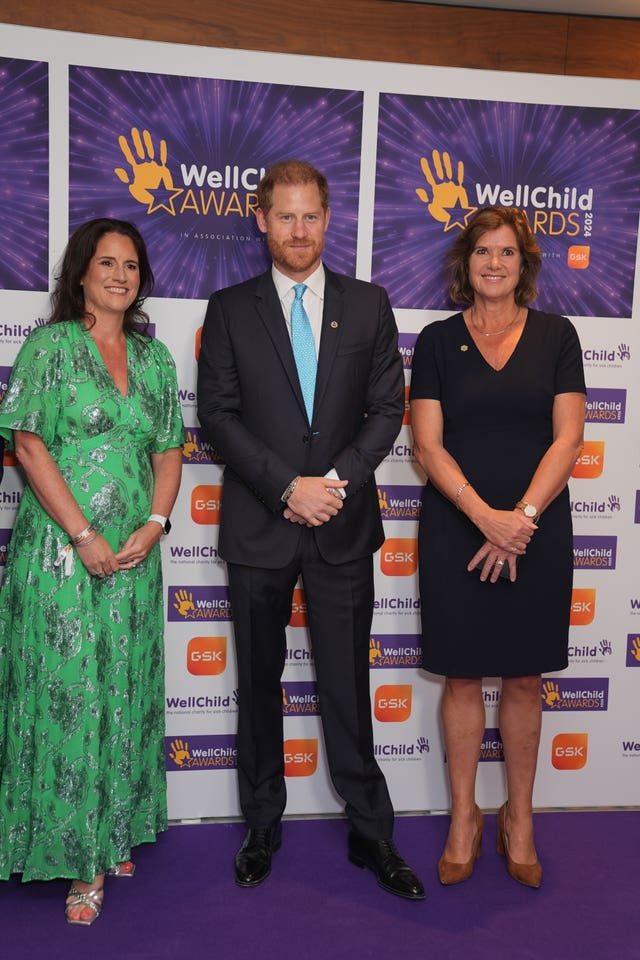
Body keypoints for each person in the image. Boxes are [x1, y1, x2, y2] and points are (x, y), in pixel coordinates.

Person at [197, 159, 424, 900]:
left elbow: (388, 408)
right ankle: (263, 823)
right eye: (284, 216)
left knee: (346, 688)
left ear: (328, 220)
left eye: (311, 217)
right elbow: (218, 415)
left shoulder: (368, 304)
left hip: (341, 525)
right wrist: (284, 487)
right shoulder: (229, 308)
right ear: (260, 219)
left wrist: (331, 486)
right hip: (261, 527)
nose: (299, 231)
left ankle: (372, 832)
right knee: (258, 684)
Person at [0, 218, 183, 924]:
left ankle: (112, 832)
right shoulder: (49, 349)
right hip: (60, 559)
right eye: (106, 263)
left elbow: (169, 452)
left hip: (135, 560)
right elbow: (28, 444)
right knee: (69, 697)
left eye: (130, 265)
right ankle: (78, 860)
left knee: (123, 694)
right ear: (80, 273)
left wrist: (154, 525)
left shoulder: (155, 360)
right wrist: (82, 534)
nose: (119, 275)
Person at [409, 206, 586, 889]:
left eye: (507, 252)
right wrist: (488, 518)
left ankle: (522, 819)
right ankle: (464, 818)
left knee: (521, 678)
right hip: (460, 524)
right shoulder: (435, 342)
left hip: (536, 529)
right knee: (460, 676)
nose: (494, 263)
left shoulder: (557, 336)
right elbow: (427, 444)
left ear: (524, 264)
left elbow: (567, 439)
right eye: (483, 251)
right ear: (466, 263)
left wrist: (522, 520)